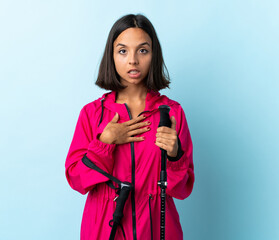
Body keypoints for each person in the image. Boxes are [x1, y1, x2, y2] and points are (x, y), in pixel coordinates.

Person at [65, 13, 194, 240]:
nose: (133, 60)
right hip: (104, 229)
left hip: (158, 229)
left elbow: (182, 189)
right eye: (123, 51)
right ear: (112, 56)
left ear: (153, 56)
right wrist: (104, 143)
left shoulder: (172, 113)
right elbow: (76, 179)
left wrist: (174, 155)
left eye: (142, 50)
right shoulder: (92, 114)